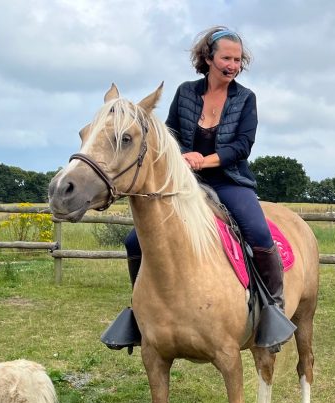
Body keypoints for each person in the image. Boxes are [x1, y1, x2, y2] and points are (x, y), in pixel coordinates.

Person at [104, 25, 289, 350]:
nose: (233, 65)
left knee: (259, 234)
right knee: (134, 240)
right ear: (208, 58)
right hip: (186, 183)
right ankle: (138, 314)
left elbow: (243, 145)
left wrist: (205, 160)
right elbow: (169, 135)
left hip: (231, 180)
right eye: (227, 58)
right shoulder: (186, 93)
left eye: (238, 60)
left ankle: (273, 310)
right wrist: (180, 159)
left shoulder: (246, 99)